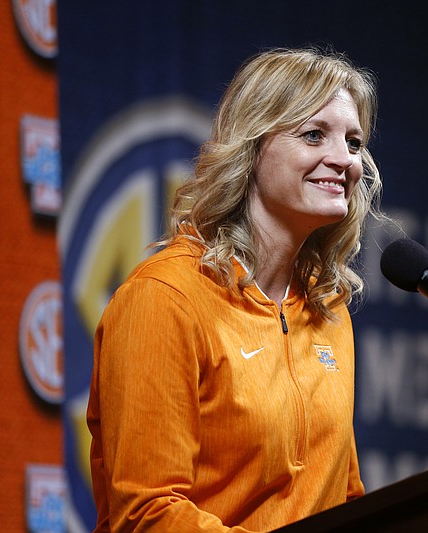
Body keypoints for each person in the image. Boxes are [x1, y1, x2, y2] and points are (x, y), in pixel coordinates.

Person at [87, 47, 383, 532]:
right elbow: (148, 514)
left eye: (353, 142)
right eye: (313, 135)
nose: (343, 161)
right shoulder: (164, 298)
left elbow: (343, 497)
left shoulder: (327, 310)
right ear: (252, 147)